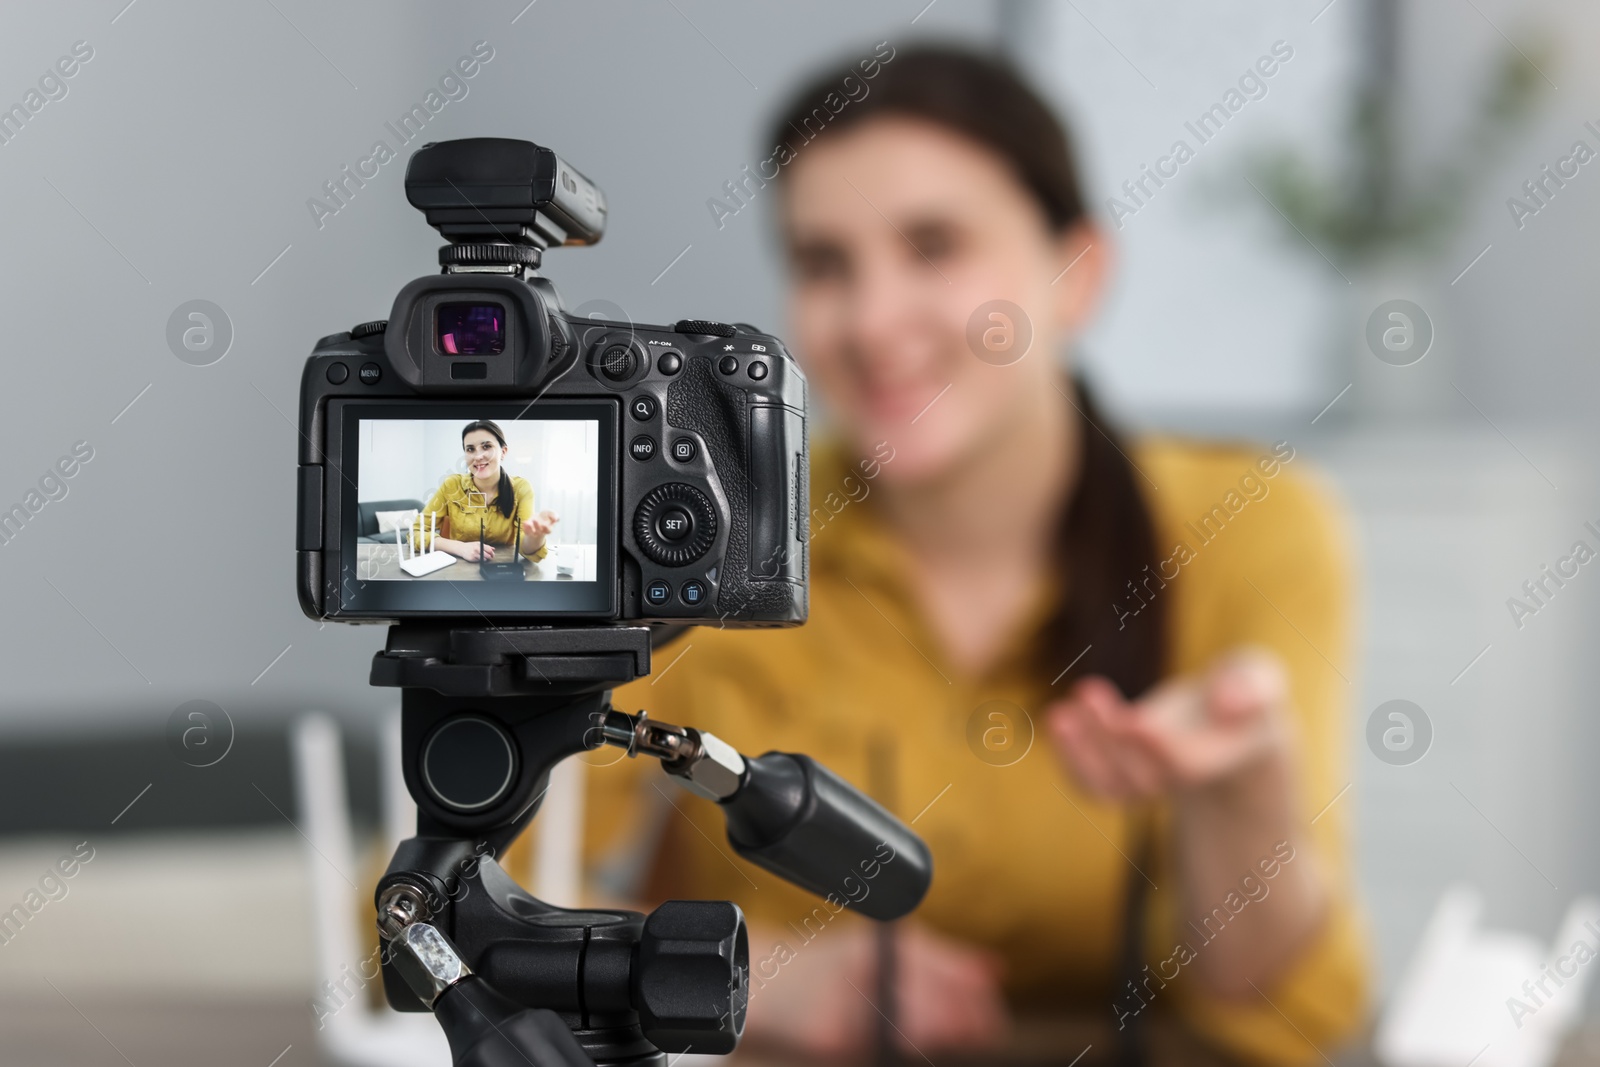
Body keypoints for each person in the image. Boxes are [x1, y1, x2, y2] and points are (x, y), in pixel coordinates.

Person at [569, 46, 1368, 1065]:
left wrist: (1244, 804)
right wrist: (757, 970)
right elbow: (437, 913)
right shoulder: (705, 531)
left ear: (1077, 272)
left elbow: (1289, 1009)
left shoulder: (1254, 522)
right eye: (823, 264)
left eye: (934, 245)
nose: (871, 319)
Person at [414, 419, 558, 564]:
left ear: (503, 452)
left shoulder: (521, 488)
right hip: (457, 570)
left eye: (486, 446)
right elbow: (416, 532)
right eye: (470, 449)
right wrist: (460, 548)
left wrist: (535, 537)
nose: (477, 456)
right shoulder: (451, 485)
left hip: (503, 570)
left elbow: (525, 549)